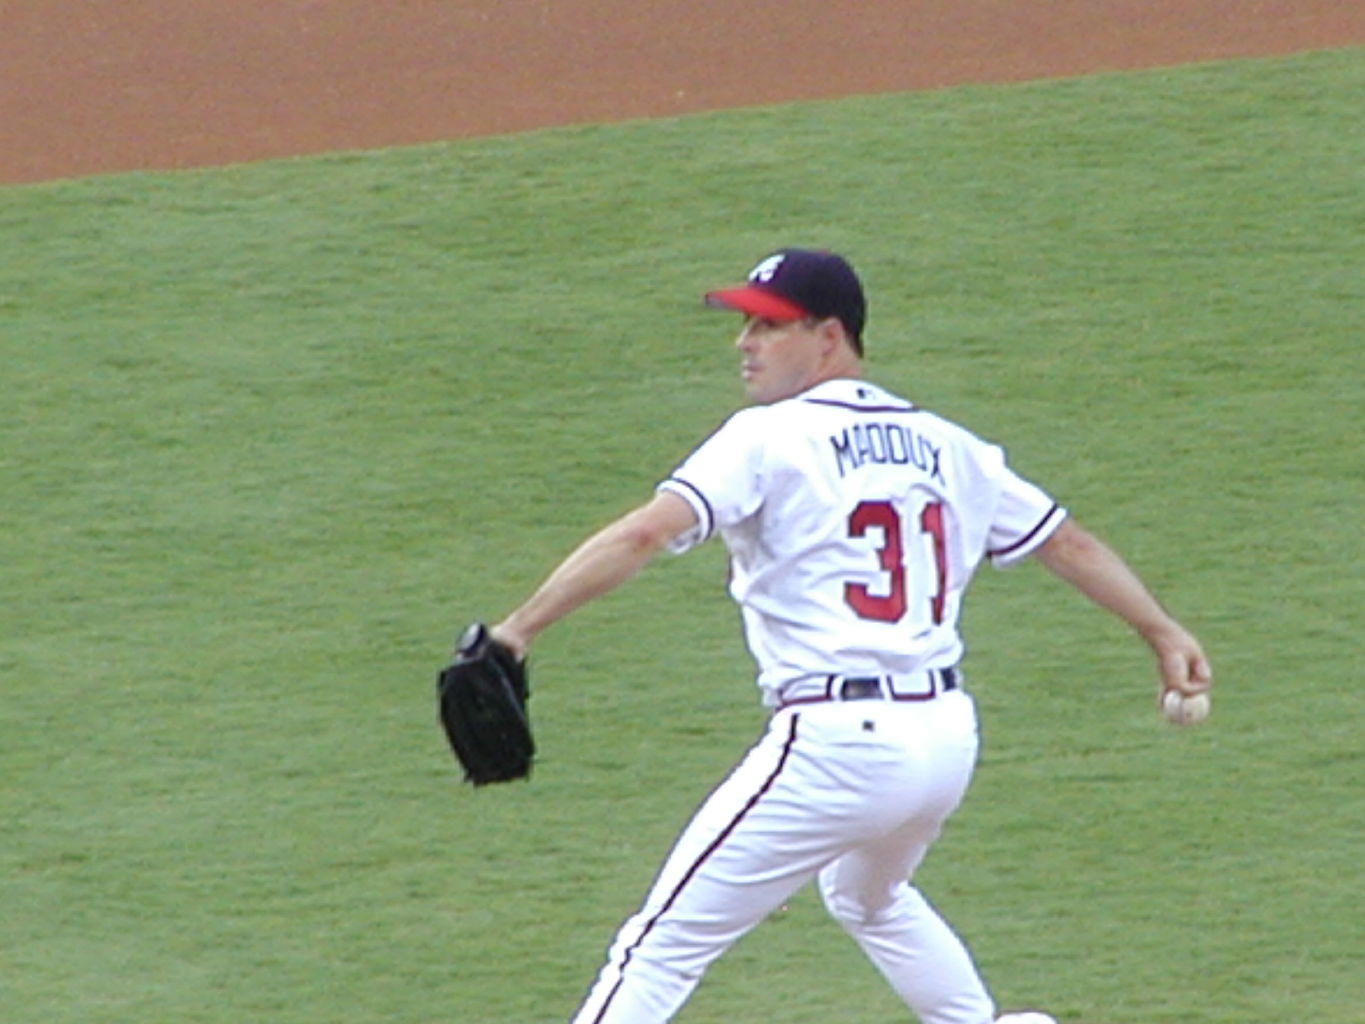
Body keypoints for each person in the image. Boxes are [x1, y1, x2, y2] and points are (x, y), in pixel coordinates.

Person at [491, 248, 1212, 1024]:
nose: (743, 342)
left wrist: (517, 630)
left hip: (839, 746)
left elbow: (643, 536)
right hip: (941, 742)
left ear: (828, 335)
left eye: (767, 325)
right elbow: (1065, 543)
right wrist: (1158, 628)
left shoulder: (765, 437)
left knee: (660, 946)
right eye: (743, 323)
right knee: (867, 896)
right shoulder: (948, 444)